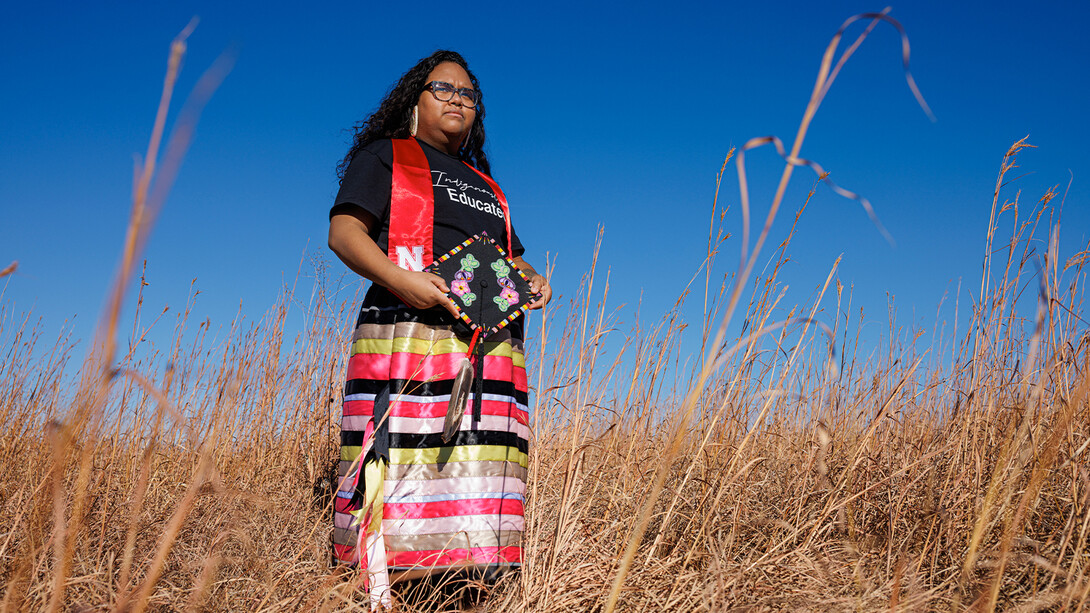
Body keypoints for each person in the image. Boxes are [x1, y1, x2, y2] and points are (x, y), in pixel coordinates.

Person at [327, 50, 551, 608]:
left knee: (478, 460)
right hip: (407, 332)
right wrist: (402, 280)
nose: (457, 99)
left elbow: (508, 261)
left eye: (468, 94)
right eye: (442, 89)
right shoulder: (388, 157)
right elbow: (345, 232)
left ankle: (467, 587)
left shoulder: (486, 185)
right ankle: (386, 590)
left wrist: (533, 279)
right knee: (400, 460)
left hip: (489, 347)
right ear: (415, 100)